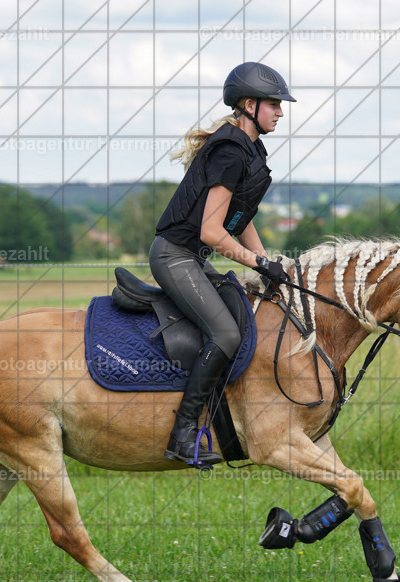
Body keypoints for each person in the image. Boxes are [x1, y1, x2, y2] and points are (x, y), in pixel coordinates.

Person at [149, 61, 294, 467]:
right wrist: (258, 263)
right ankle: (182, 434)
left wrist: (267, 264)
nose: (280, 112)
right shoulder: (230, 152)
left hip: (192, 259)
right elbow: (213, 232)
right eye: (274, 104)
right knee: (226, 334)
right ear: (250, 105)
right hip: (175, 256)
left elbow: (239, 220)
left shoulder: (249, 149)